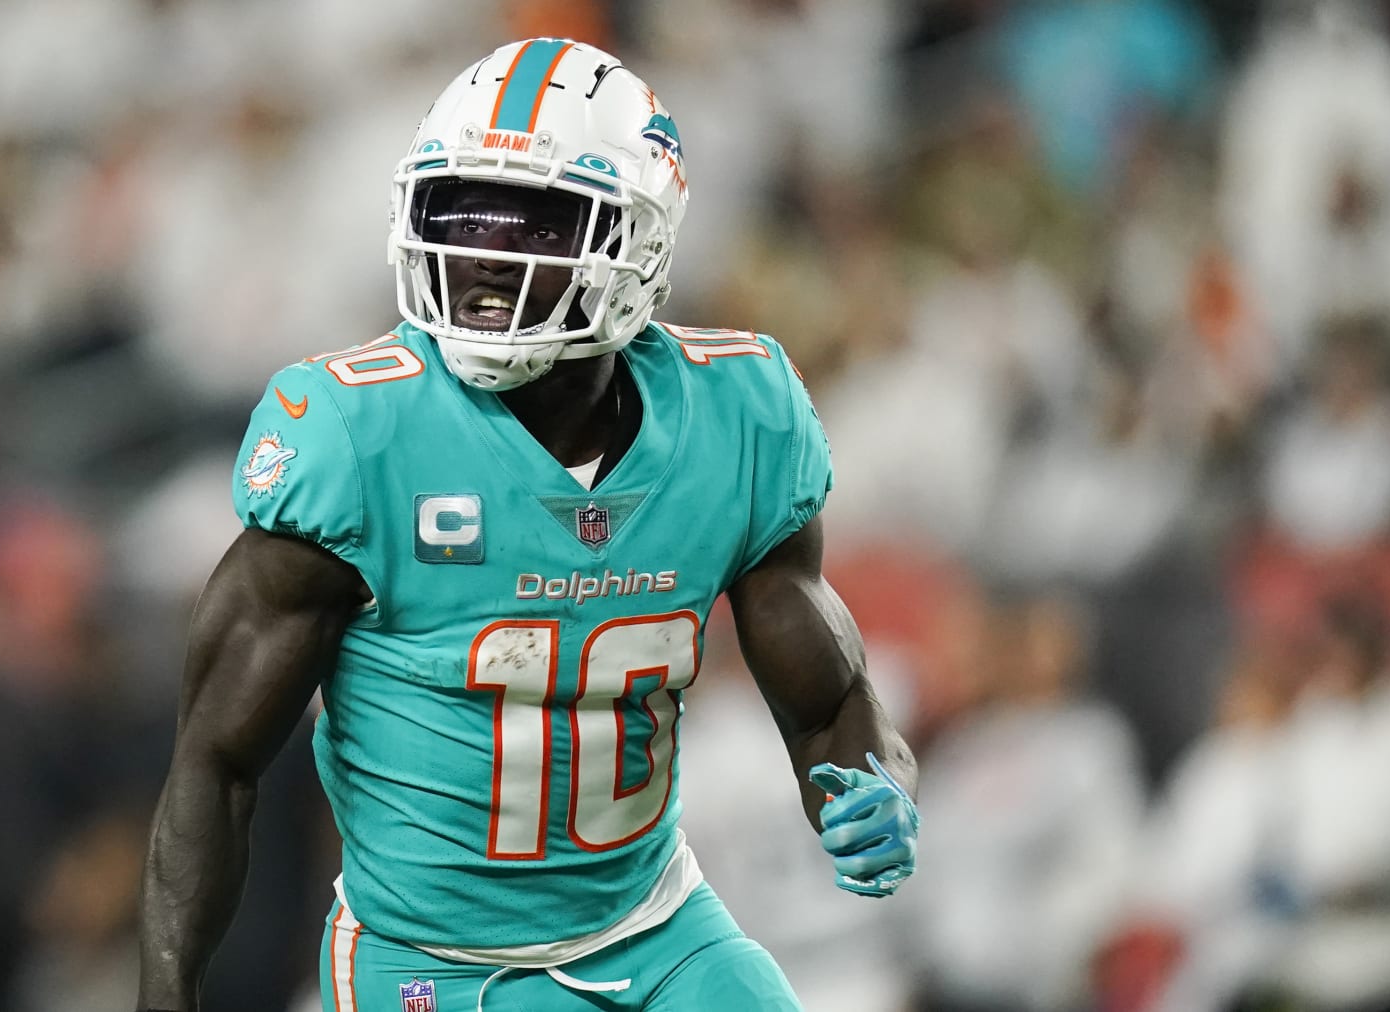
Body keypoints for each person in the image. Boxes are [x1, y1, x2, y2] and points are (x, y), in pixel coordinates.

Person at [137, 38, 918, 1012]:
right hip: (432, 965)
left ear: (640, 242)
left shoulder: (739, 415)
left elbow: (827, 697)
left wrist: (869, 783)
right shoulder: (361, 437)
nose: (486, 259)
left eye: (539, 225)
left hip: (654, 930)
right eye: (459, 215)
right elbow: (216, 763)